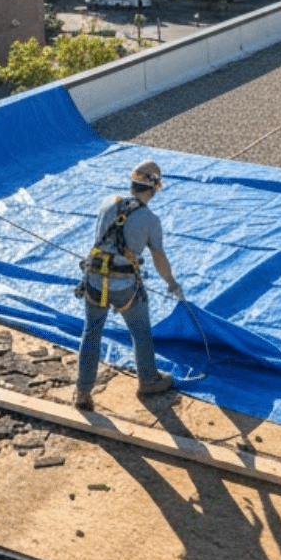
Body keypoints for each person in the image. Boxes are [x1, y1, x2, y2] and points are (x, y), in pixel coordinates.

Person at [74, 160, 184, 410]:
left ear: (132, 183)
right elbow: (158, 256)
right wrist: (171, 282)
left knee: (92, 331)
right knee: (140, 330)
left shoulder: (107, 203)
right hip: (125, 286)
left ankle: (82, 391)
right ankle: (148, 380)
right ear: (153, 190)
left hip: (94, 280)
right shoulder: (150, 219)